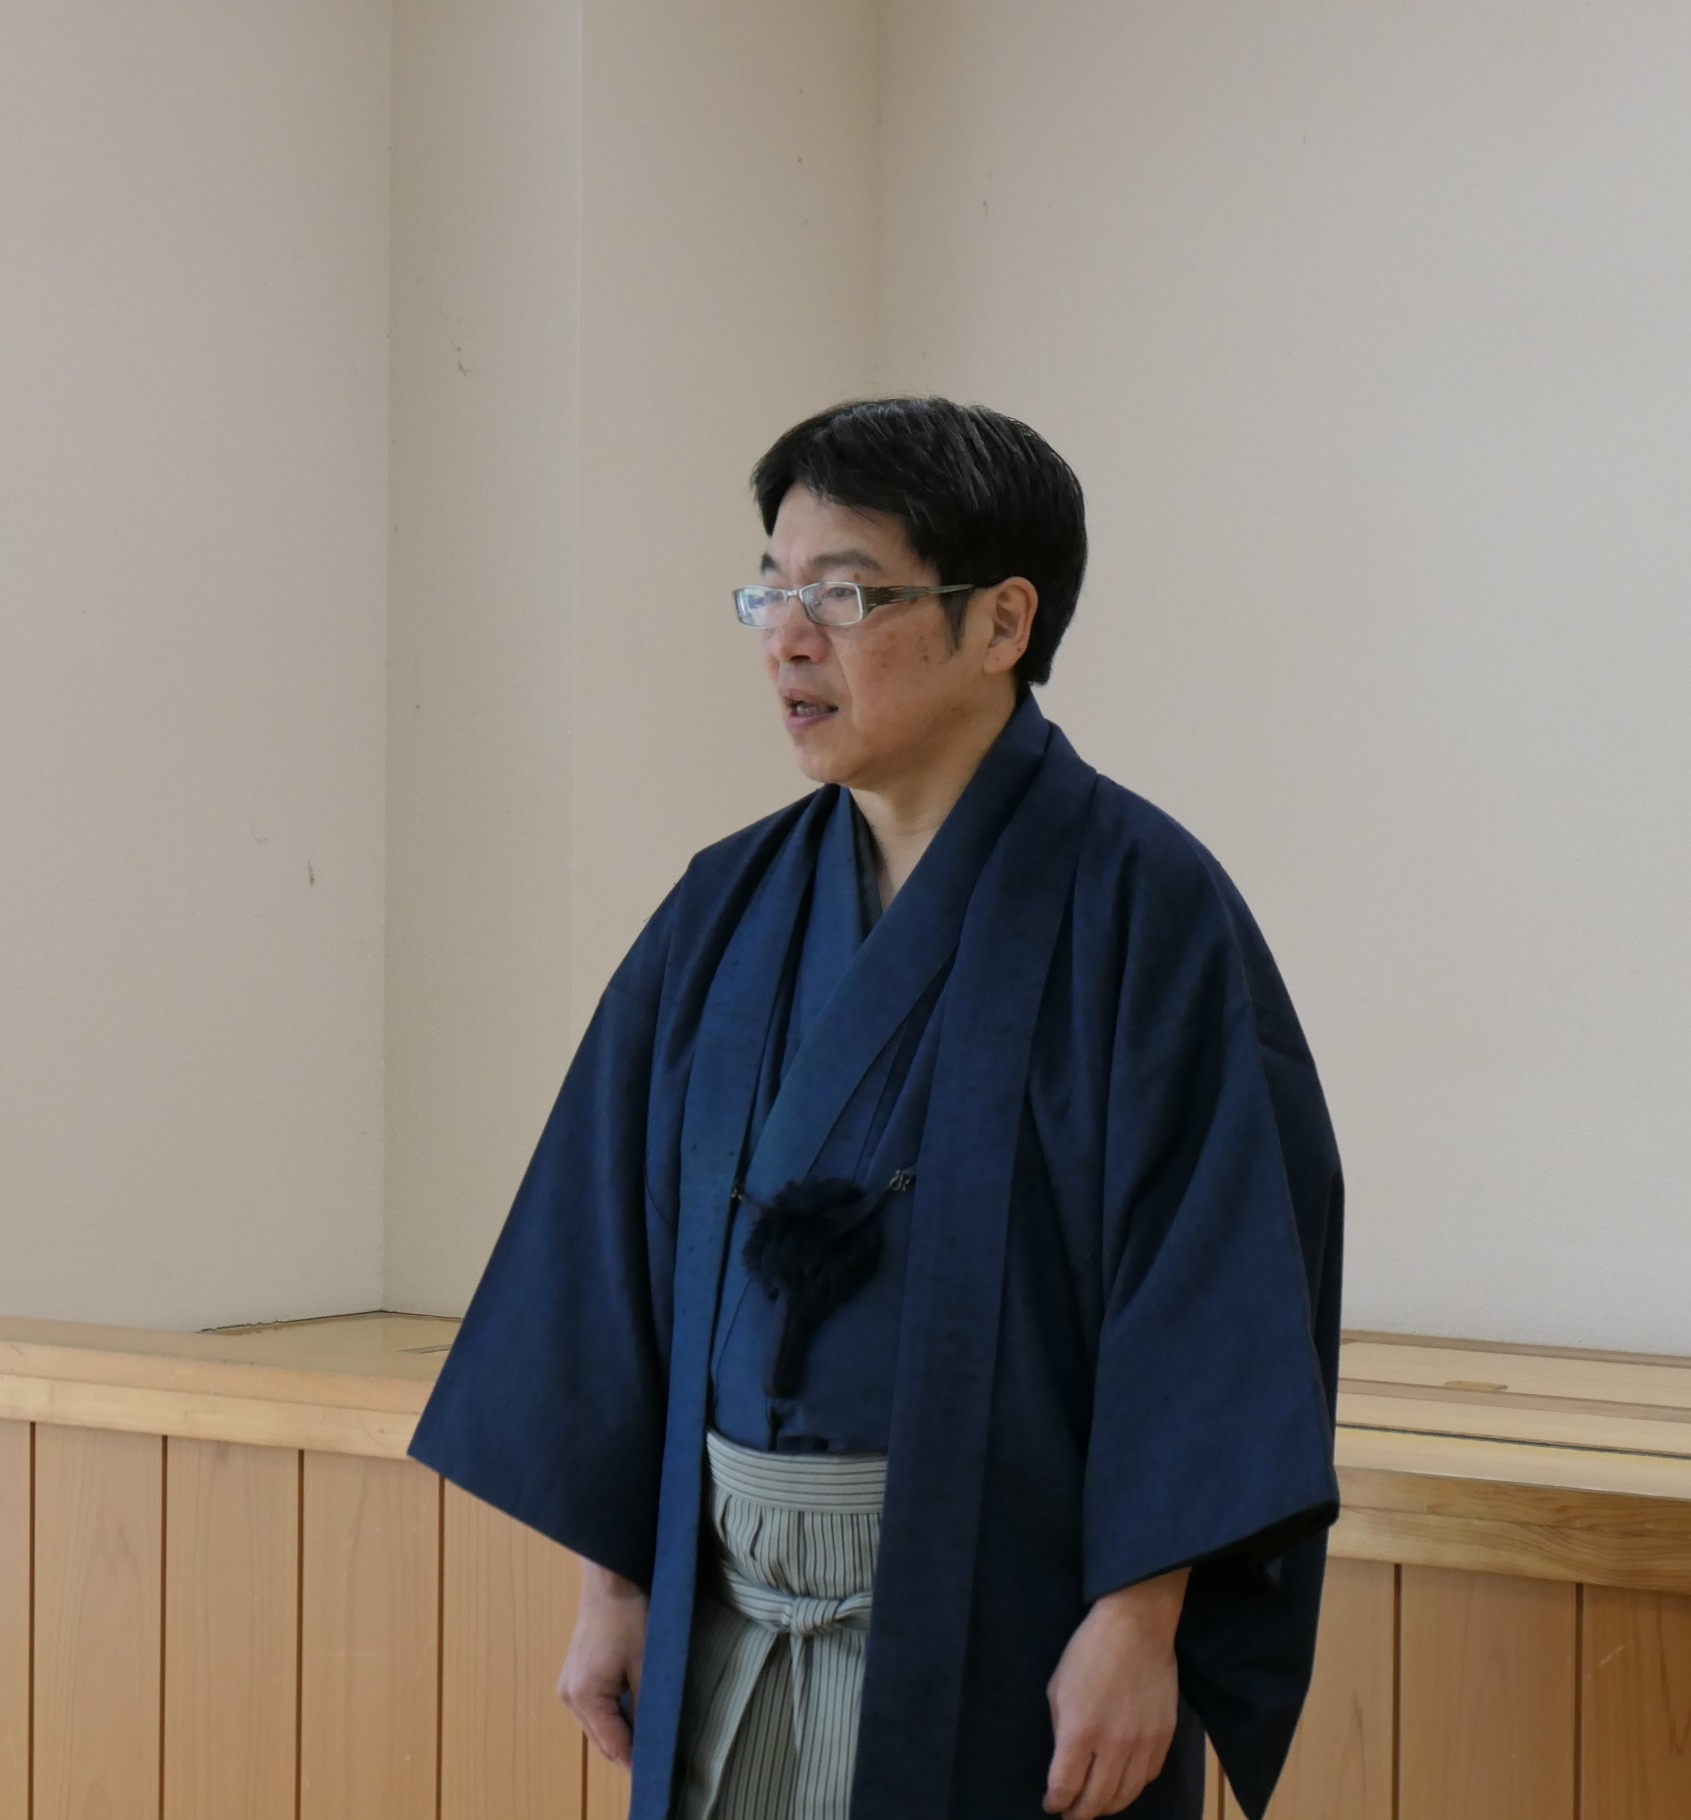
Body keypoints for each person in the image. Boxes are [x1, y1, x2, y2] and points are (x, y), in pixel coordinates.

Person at [408, 397, 1343, 1820]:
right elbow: (610, 1253)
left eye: (842, 594)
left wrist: (1140, 1618)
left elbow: (1210, 1284)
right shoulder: (723, 907)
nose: (788, 638)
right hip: (727, 1613)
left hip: (1005, 1620)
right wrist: (618, 1583)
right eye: (769, 591)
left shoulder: (1144, 909)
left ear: (1002, 621)